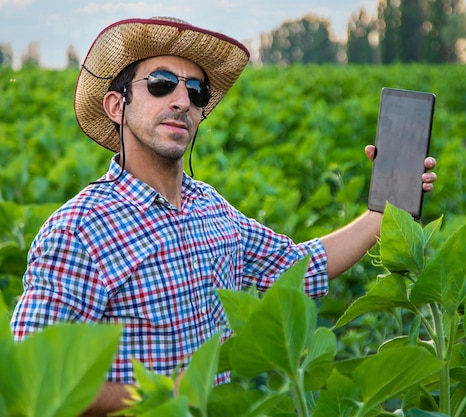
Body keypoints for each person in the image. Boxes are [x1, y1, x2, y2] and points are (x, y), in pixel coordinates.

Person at [9, 17, 437, 416]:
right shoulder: (79, 229)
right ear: (116, 106)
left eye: (195, 92)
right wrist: (162, 394)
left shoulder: (210, 207)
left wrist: (385, 209)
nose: (181, 101)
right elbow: (32, 380)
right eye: (161, 84)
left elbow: (297, 269)